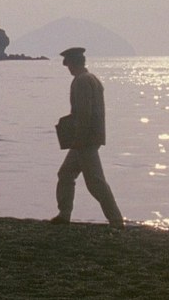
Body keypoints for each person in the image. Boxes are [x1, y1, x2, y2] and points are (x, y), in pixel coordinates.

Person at [51, 47, 124, 228]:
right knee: (66, 174)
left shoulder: (82, 81)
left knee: (95, 182)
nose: (67, 68)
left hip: (85, 140)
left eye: (68, 64)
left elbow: (84, 113)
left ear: (72, 63)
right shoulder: (91, 78)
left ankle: (116, 219)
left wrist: (79, 138)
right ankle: (64, 214)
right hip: (90, 138)